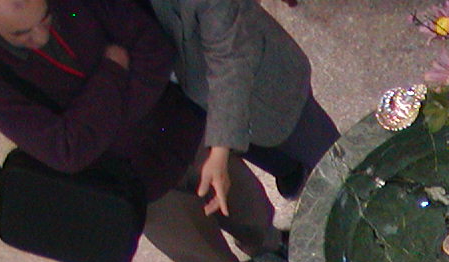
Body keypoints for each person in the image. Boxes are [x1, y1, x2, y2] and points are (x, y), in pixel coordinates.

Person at [0, 0, 292, 262]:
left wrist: (96, 124)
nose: (41, 36)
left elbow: (154, 49)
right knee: (195, 244)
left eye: (46, 17)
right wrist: (112, 72)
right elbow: (66, 151)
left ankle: (267, 240)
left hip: (178, 126)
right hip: (130, 179)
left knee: (240, 194)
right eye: (21, 35)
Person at [144, 0, 338, 210]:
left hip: (268, 88)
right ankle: (290, 170)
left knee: (332, 159)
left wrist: (220, 148)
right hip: (205, 101)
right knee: (262, 149)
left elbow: (230, 52)